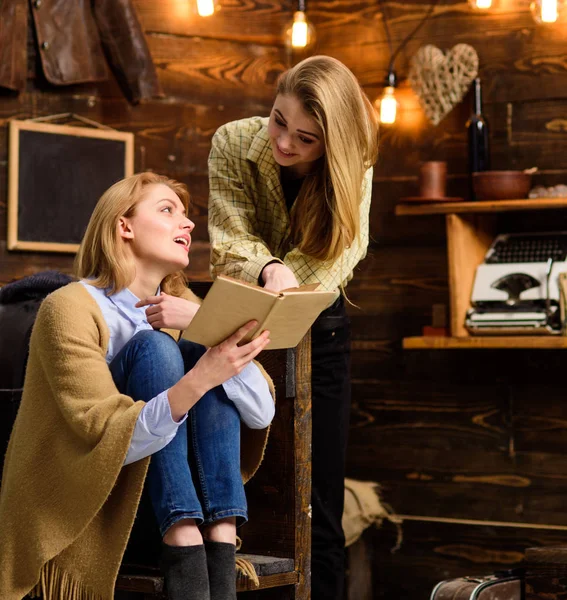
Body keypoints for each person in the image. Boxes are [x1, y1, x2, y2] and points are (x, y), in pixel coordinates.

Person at [0, 172, 275, 600]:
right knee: (157, 349)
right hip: (101, 511)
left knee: (197, 354)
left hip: (194, 516)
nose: (187, 224)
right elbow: (103, 439)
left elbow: (262, 412)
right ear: (123, 226)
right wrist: (203, 375)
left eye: (187, 217)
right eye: (168, 211)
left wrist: (204, 328)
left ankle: (221, 536)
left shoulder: (188, 308)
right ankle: (184, 535)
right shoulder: (70, 307)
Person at [208, 55, 379, 600]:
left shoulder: (355, 165)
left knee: (319, 502)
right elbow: (227, 239)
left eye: (305, 139)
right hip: (236, 324)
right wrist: (267, 268)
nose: (284, 143)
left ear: (332, 144)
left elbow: (339, 257)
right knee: (247, 495)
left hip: (321, 332)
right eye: (279, 121)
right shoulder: (233, 142)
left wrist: (282, 278)